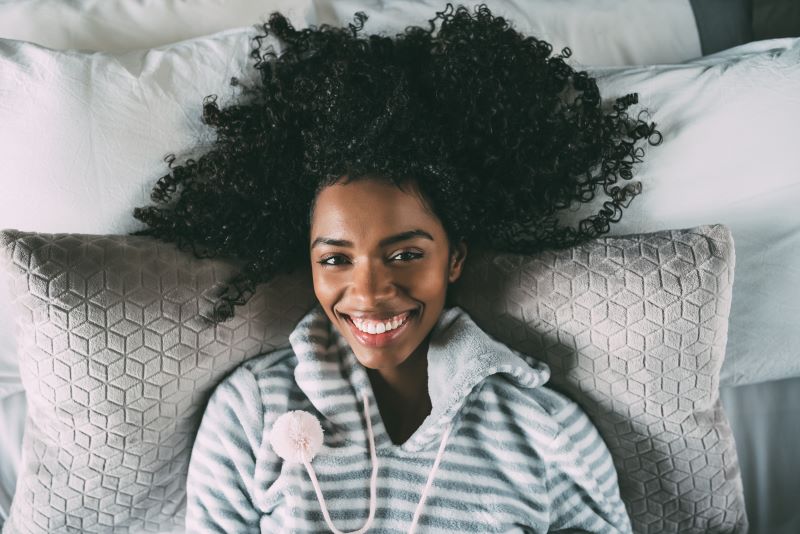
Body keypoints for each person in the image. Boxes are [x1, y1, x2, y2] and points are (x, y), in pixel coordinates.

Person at [132, 3, 661, 532]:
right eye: (336, 259)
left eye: (406, 254)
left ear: (454, 257)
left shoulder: (545, 427)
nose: (368, 290)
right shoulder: (251, 411)